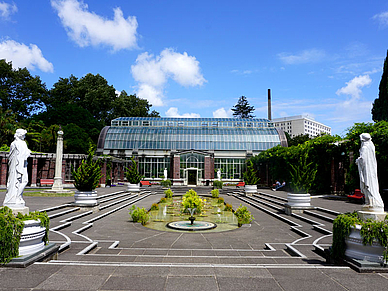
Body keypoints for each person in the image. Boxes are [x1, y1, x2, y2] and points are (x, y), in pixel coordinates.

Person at [355, 133, 384, 212]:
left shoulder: (364, 147)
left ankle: (370, 202)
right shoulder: (371, 147)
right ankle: (371, 202)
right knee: (372, 185)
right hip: (371, 170)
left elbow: (363, 159)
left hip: (367, 170)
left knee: (368, 185)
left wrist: (357, 160)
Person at [3, 129, 31, 208]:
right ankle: (13, 198)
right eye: (23, 135)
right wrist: (25, 154)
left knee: (25, 180)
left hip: (23, 165)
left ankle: (18, 196)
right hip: (16, 166)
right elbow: (12, 156)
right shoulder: (14, 144)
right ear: (20, 135)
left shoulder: (23, 143)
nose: (24, 136)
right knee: (15, 181)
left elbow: (25, 152)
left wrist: (27, 153)